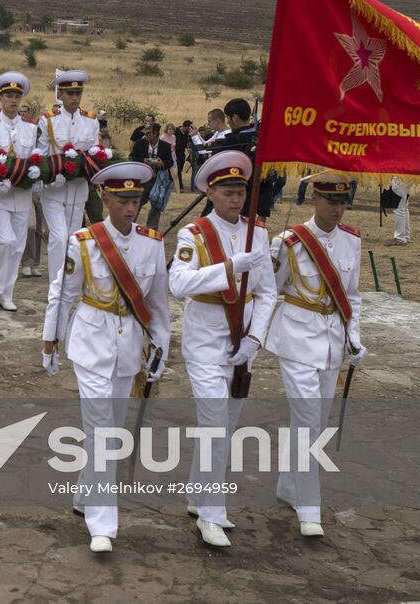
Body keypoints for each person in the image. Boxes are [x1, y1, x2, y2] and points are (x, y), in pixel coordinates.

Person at [41, 162, 170, 553]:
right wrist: (51, 340)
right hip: (91, 344)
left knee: (110, 430)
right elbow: (62, 294)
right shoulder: (83, 242)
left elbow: (158, 303)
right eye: (122, 200)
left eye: (136, 199)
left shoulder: (152, 243)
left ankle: (83, 497)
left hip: (129, 347)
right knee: (102, 433)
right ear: (105, 198)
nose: (131, 208)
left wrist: (162, 347)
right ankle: (103, 524)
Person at [167, 149, 276, 547]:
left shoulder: (257, 233)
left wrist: (255, 339)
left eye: (240, 192)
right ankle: (212, 514)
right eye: (227, 191)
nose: (235, 198)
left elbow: (267, 294)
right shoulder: (193, 235)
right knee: (214, 424)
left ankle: (198, 497)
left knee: (224, 427)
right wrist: (228, 268)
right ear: (211, 193)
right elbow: (177, 284)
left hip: (241, 343)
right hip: (204, 341)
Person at [266, 172, 365, 538]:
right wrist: (250, 339)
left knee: (315, 423)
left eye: (342, 203)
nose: (338, 209)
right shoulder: (288, 243)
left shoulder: (351, 240)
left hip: (332, 341)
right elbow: (268, 293)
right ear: (314, 200)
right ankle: (310, 509)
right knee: (308, 420)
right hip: (295, 338)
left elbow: (352, 296)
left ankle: (289, 486)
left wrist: (354, 337)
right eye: (331, 201)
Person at [36, 70, 101, 302]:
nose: (75, 98)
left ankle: (70, 282)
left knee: (73, 238)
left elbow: (95, 153)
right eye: (70, 93)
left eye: (78, 93)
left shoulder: (91, 120)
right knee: (59, 236)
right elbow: (42, 154)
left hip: (78, 189)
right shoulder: (48, 120)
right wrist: (51, 174)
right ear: (60, 94)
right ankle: (56, 284)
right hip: (55, 189)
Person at [0, 72, 39, 312]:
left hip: (22, 194)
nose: (13, 100)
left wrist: (35, 177)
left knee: (17, 245)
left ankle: (7, 291)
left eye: (16, 96)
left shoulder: (31, 129)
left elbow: (36, 159)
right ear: (0, 98)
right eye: (8, 96)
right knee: (5, 240)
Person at [131, 121, 174, 230]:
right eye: (145, 133)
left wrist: (162, 163)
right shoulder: (140, 144)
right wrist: (143, 160)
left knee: (156, 205)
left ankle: (152, 229)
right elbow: (132, 157)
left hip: (158, 180)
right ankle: (129, 225)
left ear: (156, 134)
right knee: (138, 201)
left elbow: (170, 162)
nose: (146, 135)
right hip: (143, 179)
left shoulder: (165, 146)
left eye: (149, 133)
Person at [389, 175, 412, 245]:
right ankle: (405, 236)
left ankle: (400, 238)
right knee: (404, 208)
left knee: (399, 208)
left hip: (399, 175)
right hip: (407, 175)